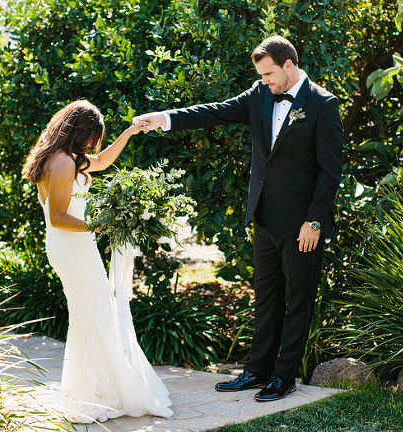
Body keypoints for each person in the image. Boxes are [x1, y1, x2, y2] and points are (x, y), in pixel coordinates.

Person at [132, 35, 344, 402]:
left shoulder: (323, 105)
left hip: (302, 226)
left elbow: (330, 171)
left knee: (298, 300)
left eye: (269, 74)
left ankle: (284, 376)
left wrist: (315, 221)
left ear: (289, 65)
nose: (264, 81)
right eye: (260, 75)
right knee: (266, 298)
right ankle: (257, 370)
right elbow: (211, 111)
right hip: (263, 217)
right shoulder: (259, 95)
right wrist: (163, 119)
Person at [21, 100, 173, 423]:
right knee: (91, 316)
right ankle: (89, 396)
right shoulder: (62, 163)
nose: (93, 145)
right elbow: (59, 216)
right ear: (79, 130)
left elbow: (103, 161)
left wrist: (130, 133)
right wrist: (100, 224)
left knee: (91, 315)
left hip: (71, 246)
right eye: (92, 136)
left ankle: (93, 391)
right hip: (73, 246)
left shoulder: (62, 158)